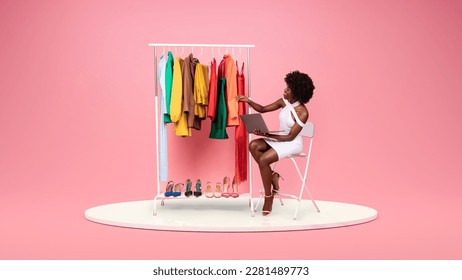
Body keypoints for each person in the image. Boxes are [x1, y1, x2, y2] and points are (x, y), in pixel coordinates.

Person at [237, 70, 315, 216]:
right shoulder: (283, 102)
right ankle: (272, 176)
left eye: (289, 89)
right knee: (253, 145)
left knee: (264, 159)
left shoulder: (302, 112)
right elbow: (262, 109)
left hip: (292, 143)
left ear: (297, 93)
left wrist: (267, 135)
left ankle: (269, 197)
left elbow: (291, 137)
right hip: (279, 139)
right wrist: (248, 100)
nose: (285, 89)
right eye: (286, 86)